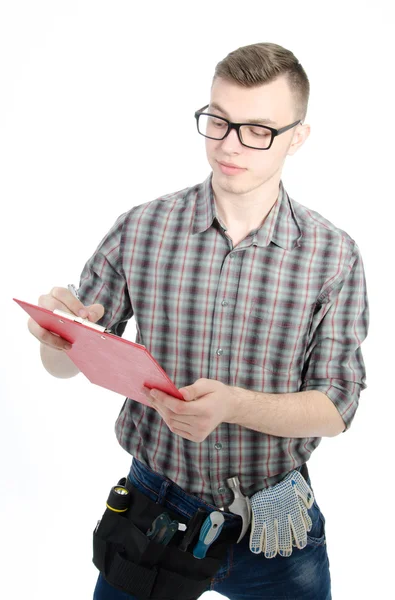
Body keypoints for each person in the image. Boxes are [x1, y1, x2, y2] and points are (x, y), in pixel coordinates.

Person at [28, 42, 369, 599]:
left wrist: (233, 405)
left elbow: (337, 407)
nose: (230, 145)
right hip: (153, 509)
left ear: (297, 136)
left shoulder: (333, 256)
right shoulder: (142, 228)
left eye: (258, 129)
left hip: (275, 523)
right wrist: (57, 334)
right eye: (218, 121)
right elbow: (65, 362)